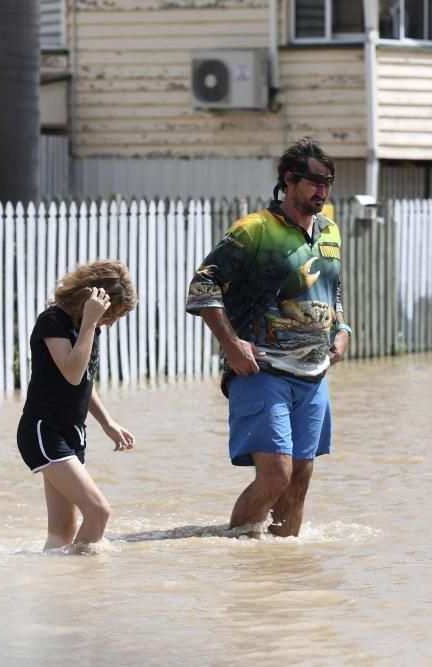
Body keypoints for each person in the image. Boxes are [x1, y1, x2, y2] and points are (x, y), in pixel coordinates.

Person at [186, 137, 351, 537]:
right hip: (262, 370)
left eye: (328, 182)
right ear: (289, 180)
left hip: (314, 375)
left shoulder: (329, 231)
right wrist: (231, 345)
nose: (322, 190)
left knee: (300, 478)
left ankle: (279, 574)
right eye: (314, 181)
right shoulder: (254, 230)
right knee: (276, 475)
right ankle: (237, 557)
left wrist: (342, 327)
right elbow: (203, 286)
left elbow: (335, 288)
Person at [16, 259, 138, 553]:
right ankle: (86, 584)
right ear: (91, 298)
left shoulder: (88, 328)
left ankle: (62, 592)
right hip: (44, 431)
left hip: (72, 432)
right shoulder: (53, 321)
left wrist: (107, 422)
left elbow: (83, 381)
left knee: (62, 535)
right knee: (99, 511)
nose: (111, 322)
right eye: (112, 315)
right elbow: (71, 373)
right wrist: (91, 322)